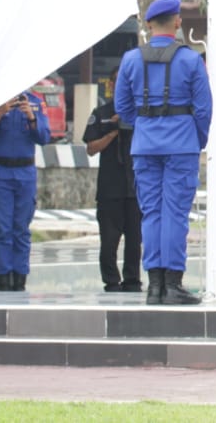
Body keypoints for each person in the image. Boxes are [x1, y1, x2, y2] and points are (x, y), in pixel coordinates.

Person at [116, 0, 213, 305]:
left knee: (151, 212)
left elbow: (123, 108)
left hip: (144, 146)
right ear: (178, 22)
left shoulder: (131, 59)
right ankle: (173, 283)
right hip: (181, 144)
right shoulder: (191, 59)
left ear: (148, 25)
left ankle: (154, 285)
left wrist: (145, 125)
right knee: (175, 213)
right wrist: (195, 139)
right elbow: (203, 109)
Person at [0, 87, 50, 291]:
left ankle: (21, 276)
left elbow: (44, 137)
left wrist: (31, 116)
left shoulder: (35, 101)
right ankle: (4, 277)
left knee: (21, 227)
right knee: (3, 226)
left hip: (24, 171)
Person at [82, 89, 141, 293]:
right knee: (109, 240)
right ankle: (111, 281)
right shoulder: (101, 113)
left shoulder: (140, 112)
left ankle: (133, 280)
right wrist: (113, 130)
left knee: (135, 240)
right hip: (110, 188)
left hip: (134, 187)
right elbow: (91, 148)